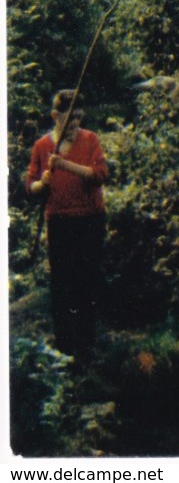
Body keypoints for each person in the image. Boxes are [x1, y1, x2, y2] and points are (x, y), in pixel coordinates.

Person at [26, 90, 110, 357]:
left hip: (89, 219)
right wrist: (43, 183)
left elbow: (99, 175)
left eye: (78, 119)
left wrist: (65, 165)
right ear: (55, 116)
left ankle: (88, 344)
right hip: (60, 222)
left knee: (88, 279)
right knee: (62, 282)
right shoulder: (41, 146)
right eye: (69, 119)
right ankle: (64, 345)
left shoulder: (90, 140)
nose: (74, 125)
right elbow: (31, 187)